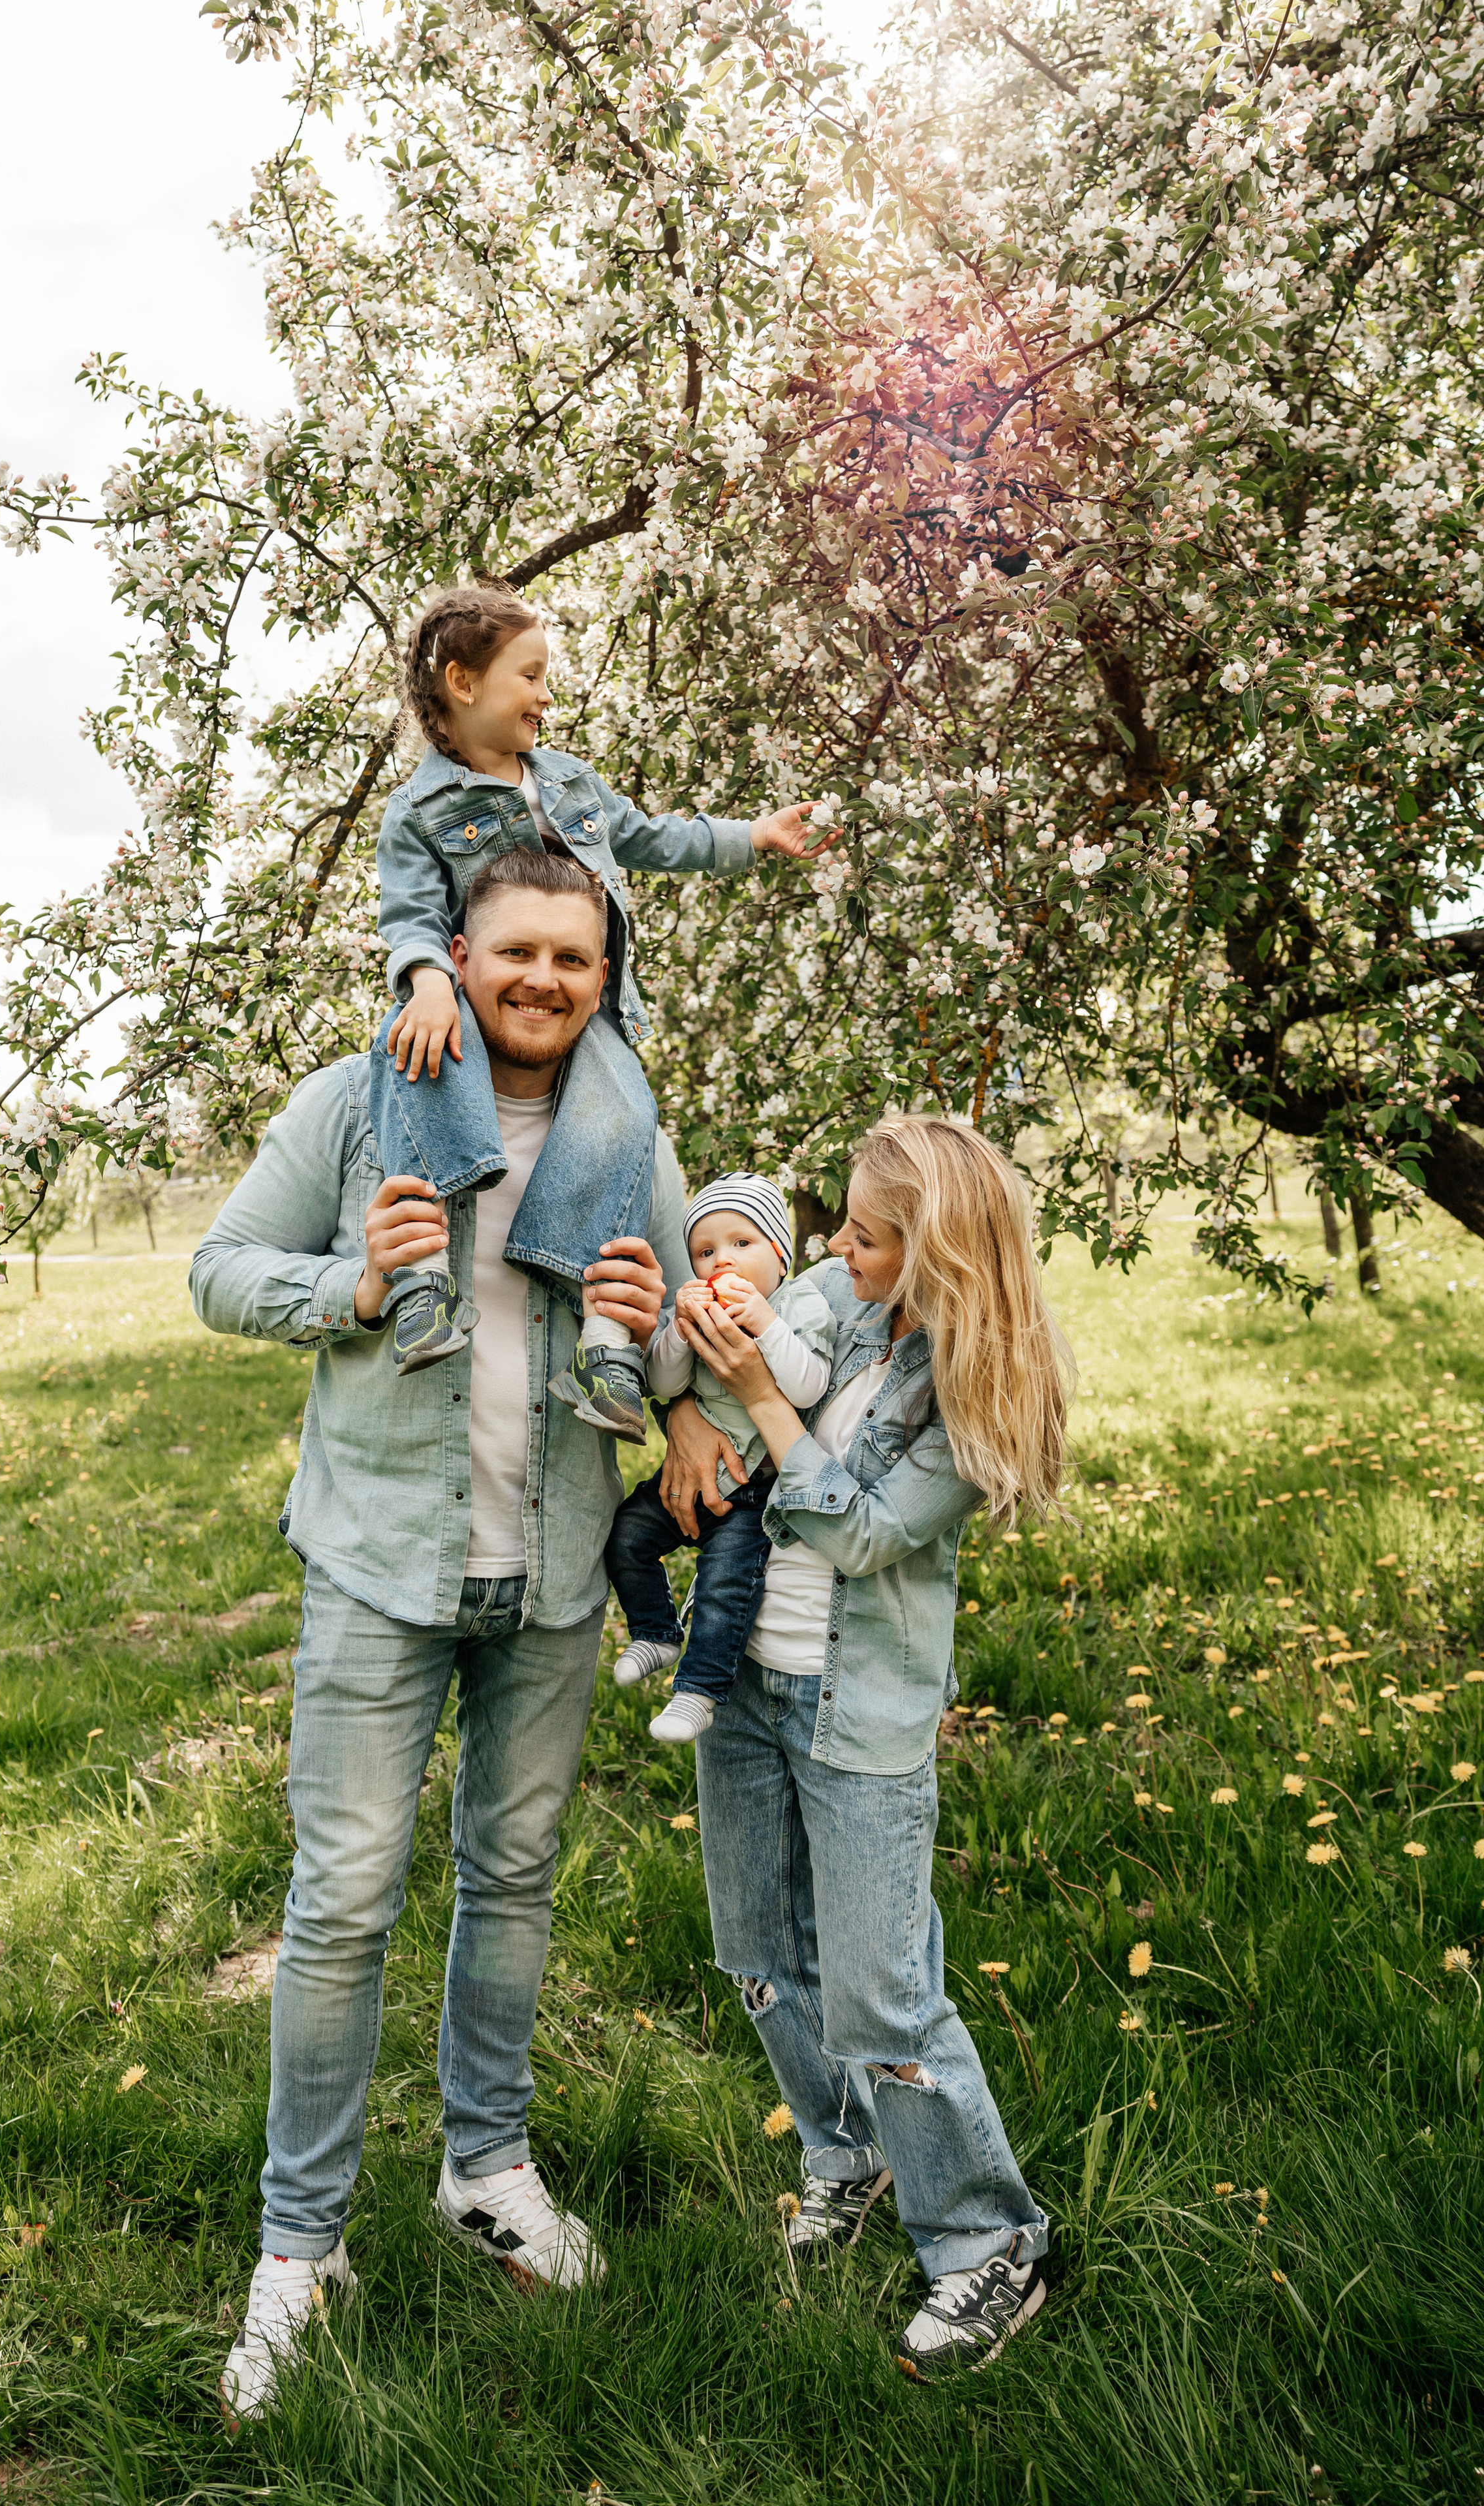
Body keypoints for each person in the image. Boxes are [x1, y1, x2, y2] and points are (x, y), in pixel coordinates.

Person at [190, 845, 698, 2422]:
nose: (545, 980)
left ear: (605, 976)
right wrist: (352, 1288)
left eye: (575, 957)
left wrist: (665, 1335)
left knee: (514, 1873)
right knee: (341, 1900)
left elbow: (688, 1328)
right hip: (374, 1563)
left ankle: (485, 2167)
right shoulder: (359, 1101)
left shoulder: (627, 1134)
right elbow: (217, 1268)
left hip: (547, 1572)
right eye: (515, 952)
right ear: (454, 958)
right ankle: (299, 2247)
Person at [679, 1115, 1074, 2377]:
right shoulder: (838, 1299)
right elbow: (716, 1357)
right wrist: (697, 1409)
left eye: (864, 1236)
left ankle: (988, 2247)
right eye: (840, 1224)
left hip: (861, 1714)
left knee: (883, 1993)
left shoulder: (978, 1388)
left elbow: (855, 1534)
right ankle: (843, 2156)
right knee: (757, 1955)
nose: (832, 1249)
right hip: (741, 1680)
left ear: (940, 1256)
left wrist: (751, 1398)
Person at [367, 580, 831, 1443]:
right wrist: (428, 980)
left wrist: (751, 838)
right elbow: (407, 917)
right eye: (531, 675)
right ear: (464, 683)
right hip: (466, 1010)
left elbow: (652, 837)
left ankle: (608, 1348)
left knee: (624, 1123)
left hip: (591, 1015)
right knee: (416, 1061)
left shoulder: (570, 781)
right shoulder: (420, 810)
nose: (548, 695)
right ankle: (424, 1287)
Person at [604, 1173, 836, 1744]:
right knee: (627, 1534)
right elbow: (661, 1382)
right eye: (705, 1252)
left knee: (724, 1586)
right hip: (692, 1467)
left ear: (780, 1255)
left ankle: (699, 1692)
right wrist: (681, 1333)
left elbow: (808, 1387)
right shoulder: (700, 1308)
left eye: (742, 1244)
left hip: (755, 1486)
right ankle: (655, 1631)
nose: (720, 1261)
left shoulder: (798, 1304)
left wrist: (764, 1322)